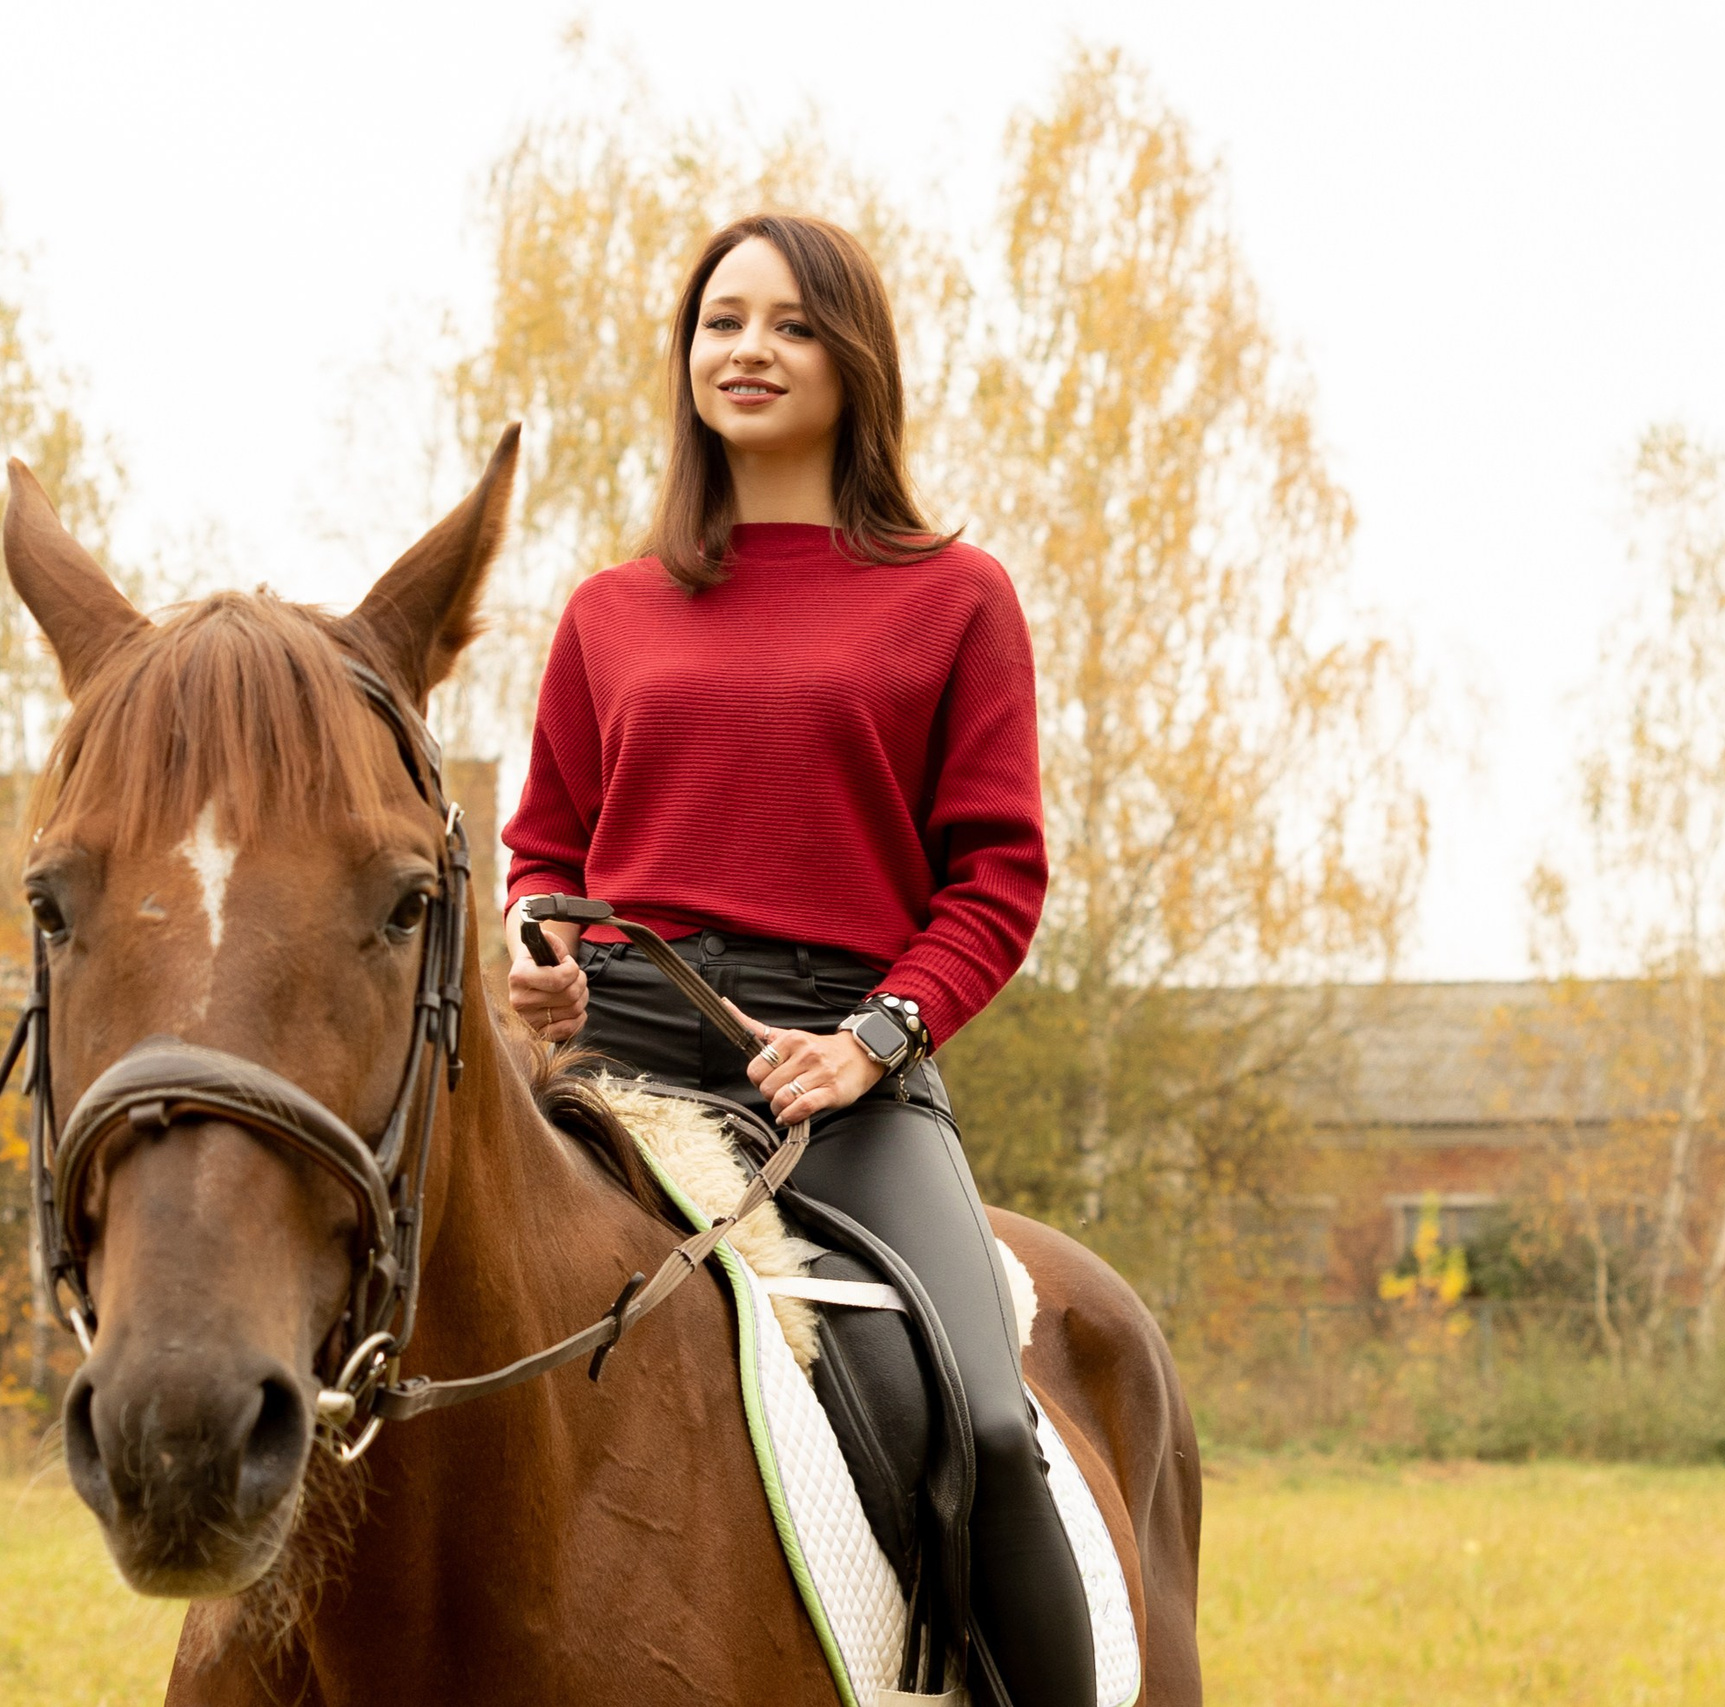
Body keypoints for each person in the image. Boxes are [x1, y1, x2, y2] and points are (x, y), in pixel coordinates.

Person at [502, 213, 1094, 1705]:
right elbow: (546, 851)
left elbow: (998, 878)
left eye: (790, 324)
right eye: (722, 322)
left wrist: (873, 1042)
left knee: (989, 1426)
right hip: (618, 1059)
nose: (748, 351)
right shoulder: (609, 610)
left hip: (835, 1069)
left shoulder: (955, 597)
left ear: (853, 360)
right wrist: (537, 947)